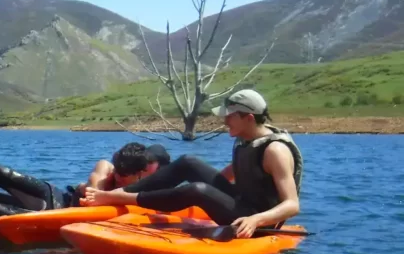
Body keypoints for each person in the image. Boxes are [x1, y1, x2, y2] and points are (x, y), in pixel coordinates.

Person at [82, 89, 302, 238]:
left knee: (197, 190)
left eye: (230, 116)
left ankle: (117, 197)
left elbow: (292, 205)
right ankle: (122, 192)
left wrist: (255, 220)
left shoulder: (276, 151)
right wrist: (204, 196)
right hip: (242, 202)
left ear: (249, 118)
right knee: (189, 162)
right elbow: (241, 169)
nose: (224, 121)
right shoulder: (246, 138)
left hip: (255, 220)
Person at [0, 142, 171, 216]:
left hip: (56, 214)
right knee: (1, 172)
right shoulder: (105, 167)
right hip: (57, 198)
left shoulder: (143, 187)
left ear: (140, 173)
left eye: (124, 176)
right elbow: (92, 195)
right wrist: (88, 188)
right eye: (118, 172)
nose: (118, 176)